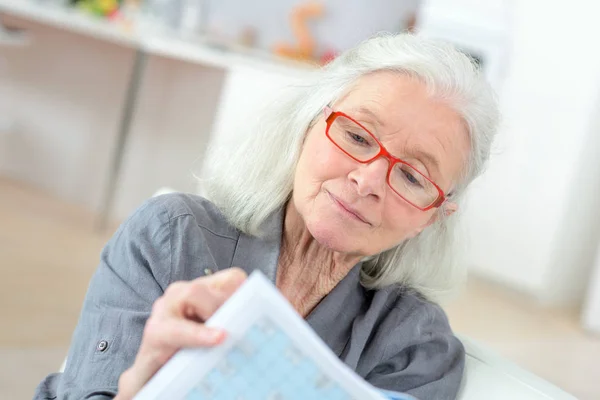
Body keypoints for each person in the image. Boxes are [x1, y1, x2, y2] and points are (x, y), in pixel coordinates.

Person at [35, 33, 499, 400]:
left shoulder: (414, 344)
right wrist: (142, 384)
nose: (368, 180)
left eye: (413, 177)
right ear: (306, 128)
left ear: (432, 218)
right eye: (358, 137)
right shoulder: (172, 236)